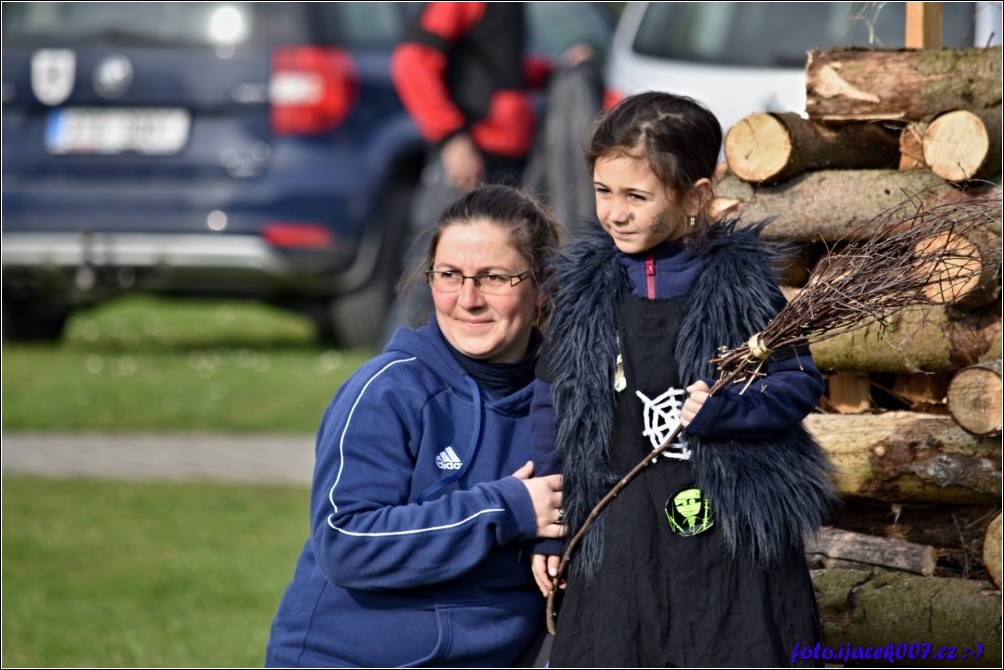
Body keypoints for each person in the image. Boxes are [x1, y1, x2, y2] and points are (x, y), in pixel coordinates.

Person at [528, 91, 840, 667]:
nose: (615, 212)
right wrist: (552, 529)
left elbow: (798, 381)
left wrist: (729, 412)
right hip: (620, 539)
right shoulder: (581, 295)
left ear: (696, 196)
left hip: (731, 545)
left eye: (636, 196)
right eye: (603, 191)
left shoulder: (742, 288)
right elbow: (553, 409)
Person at [264, 184, 567, 668]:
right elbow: (345, 540)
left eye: (493, 277)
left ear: (543, 285)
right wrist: (505, 509)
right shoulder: (387, 391)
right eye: (449, 275)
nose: (467, 299)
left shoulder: (568, 402)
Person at [383, 2, 594, 343]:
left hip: (503, 163)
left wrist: (556, 70)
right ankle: (395, 377)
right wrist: (451, 138)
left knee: (490, 281)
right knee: (431, 277)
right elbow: (412, 62)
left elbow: (499, 70)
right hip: (468, 161)